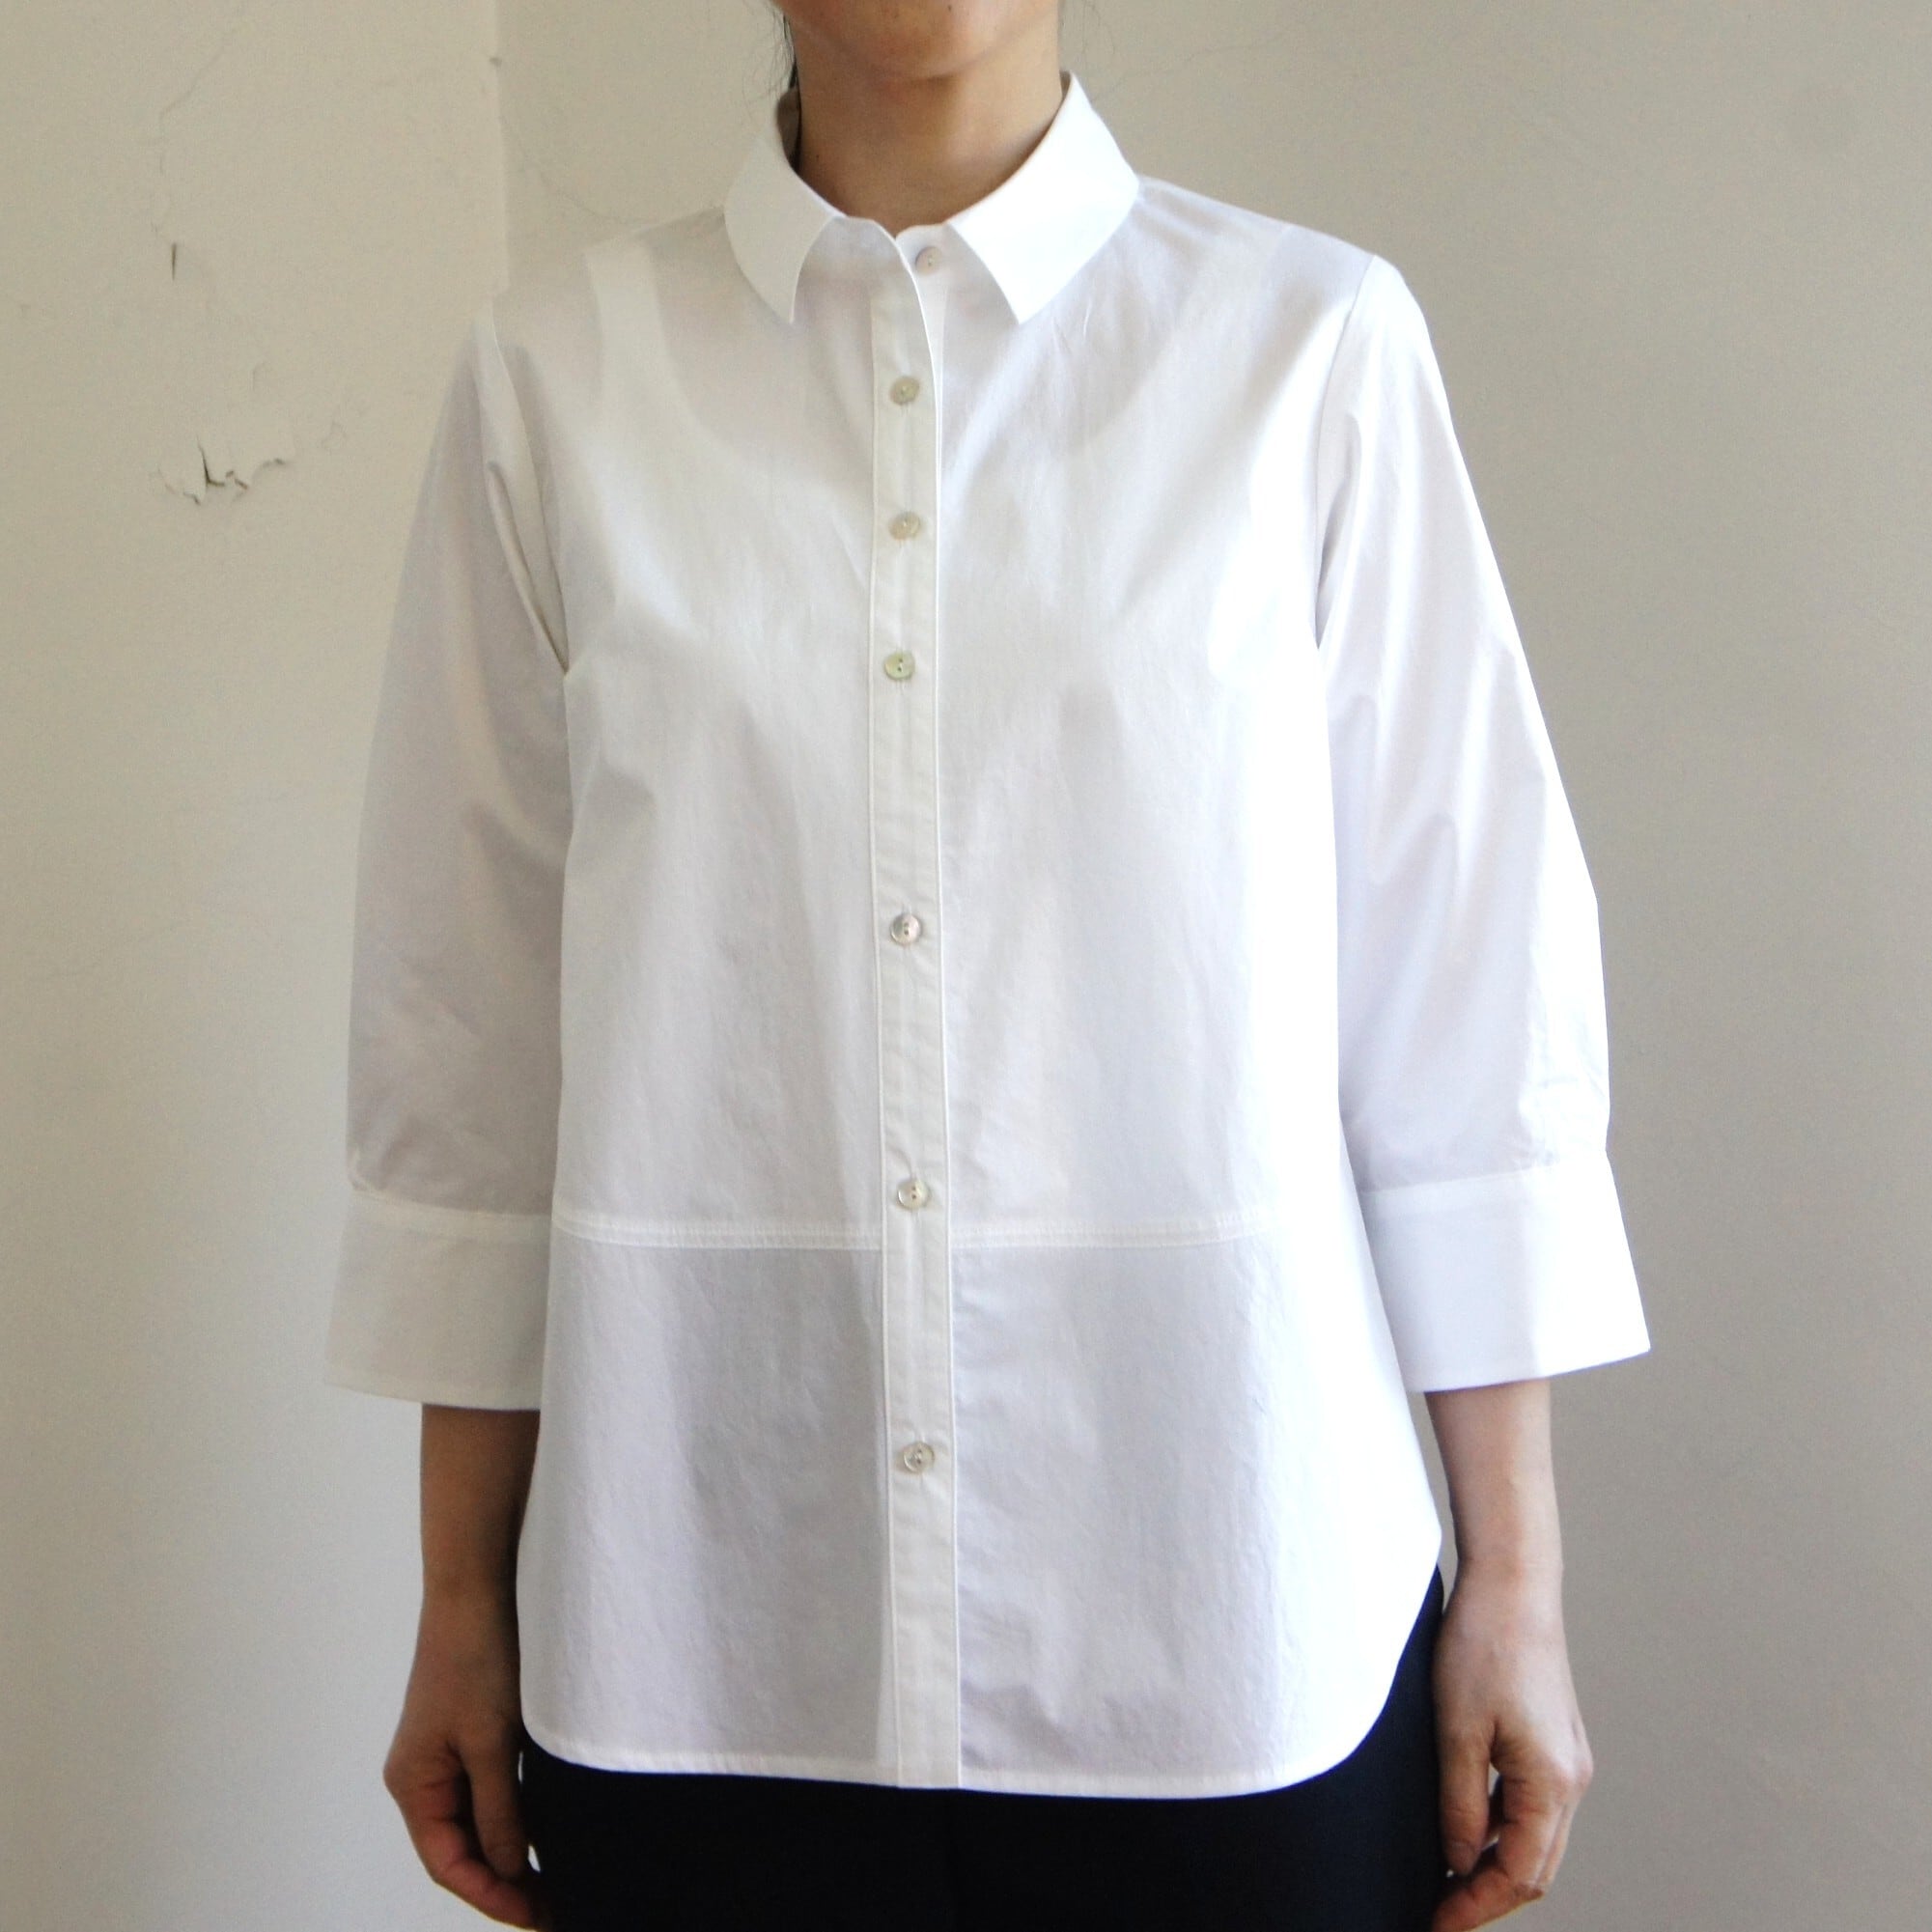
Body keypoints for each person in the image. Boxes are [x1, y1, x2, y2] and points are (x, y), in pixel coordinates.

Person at [323, 4, 1653, 1928]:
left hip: (1230, 1615)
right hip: (703, 1625)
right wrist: (461, 1592)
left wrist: (1513, 1583)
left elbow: (1461, 994)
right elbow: (475, 1026)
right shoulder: (559, 379)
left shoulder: (1302, 347)